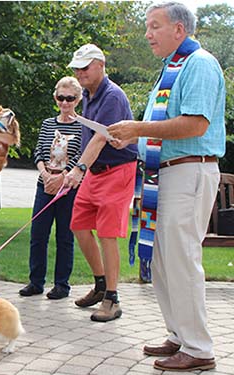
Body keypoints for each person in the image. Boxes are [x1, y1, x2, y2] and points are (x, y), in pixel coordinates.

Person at [107, 2, 224, 371]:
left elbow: (195, 125)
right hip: (164, 174)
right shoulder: (170, 69)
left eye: (154, 26)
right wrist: (130, 139)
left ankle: (199, 348)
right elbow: (162, 127)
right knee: (160, 258)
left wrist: (137, 129)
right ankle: (179, 334)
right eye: (147, 26)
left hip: (188, 172)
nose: (147, 34)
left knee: (181, 259)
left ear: (179, 29)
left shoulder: (199, 64)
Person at [63, 44, 138, 322]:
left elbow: (100, 138)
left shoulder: (113, 96)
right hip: (95, 171)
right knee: (79, 226)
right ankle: (100, 284)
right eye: (76, 68)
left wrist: (79, 168)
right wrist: (82, 167)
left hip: (117, 170)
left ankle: (112, 298)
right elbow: (89, 134)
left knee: (107, 234)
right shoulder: (88, 95)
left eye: (84, 67)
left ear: (100, 65)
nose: (79, 72)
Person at [19, 77, 82, 300]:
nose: (65, 103)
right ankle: (35, 281)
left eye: (70, 98)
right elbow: (38, 152)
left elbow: (81, 156)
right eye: (61, 98)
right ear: (55, 98)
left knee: (65, 237)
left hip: (69, 188)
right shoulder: (47, 124)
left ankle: (61, 285)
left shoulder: (83, 126)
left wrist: (64, 177)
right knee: (38, 234)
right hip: (45, 185)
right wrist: (45, 175)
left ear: (78, 99)